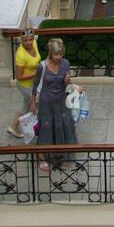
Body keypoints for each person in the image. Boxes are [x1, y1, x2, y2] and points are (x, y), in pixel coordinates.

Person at [30, 38, 75, 174]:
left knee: (62, 127)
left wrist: (68, 80)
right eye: (56, 54)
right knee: (46, 128)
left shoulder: (65, 64)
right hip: (46, 103)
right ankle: (41, 156)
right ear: (51, 53)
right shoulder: (42, 66)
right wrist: (32, 103)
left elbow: (67, 85)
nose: (59, 57)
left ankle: (60, 156)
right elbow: (35, 84)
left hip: (61, 101)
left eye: (61, 54)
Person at [7, 28, 41, 138]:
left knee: (27, 105)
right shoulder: (20, 55)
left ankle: (13, 126)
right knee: (30, 104)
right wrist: (35, 73)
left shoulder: (35, 44)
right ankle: (31, 127)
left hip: (34, 82)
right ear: (22, 41)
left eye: (30, 39)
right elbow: (19, 76)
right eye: (25, 41)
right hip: (26, 85)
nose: (29, 43)